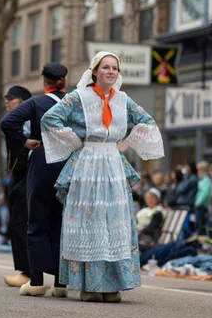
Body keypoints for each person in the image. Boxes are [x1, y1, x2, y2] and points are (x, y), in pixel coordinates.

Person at [41, 51, 164, 302]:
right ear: (95, 71)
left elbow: (147, 121)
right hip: (88, 163)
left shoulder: (124, 100)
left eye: (115, 68)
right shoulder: (79, 97)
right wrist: (77, 141)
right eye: (105, 67)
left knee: (113, 221)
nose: (111, 71)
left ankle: (112, 285)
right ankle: (89, 285)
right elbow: (50, 118)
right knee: (89, 219)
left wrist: (126, 144)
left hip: (113, 164)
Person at [0, 63, 69, 298]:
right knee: (61, 222)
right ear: (65, 81)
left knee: (37, 220)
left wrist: (25, 141)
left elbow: (7, 123)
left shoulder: (37, 102)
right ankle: (61, 283)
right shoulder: (76, 103)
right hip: (69, 162)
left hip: (42, 160)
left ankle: (37, 280)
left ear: (44, 82)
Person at [0, 85, 32, 288]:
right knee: (17, 222)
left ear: (21, 101)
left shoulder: (26, 123)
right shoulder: (17, 121)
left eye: (10, 98)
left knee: (21, 222)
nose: (6, 101)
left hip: (27, 174)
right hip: (18, 174)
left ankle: (27, 271)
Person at [195, 161, 211, 235]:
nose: (197, 172)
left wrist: (198, 203)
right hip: (200, 206)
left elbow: (205, 194)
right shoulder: (203, 180)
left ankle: (201, 242)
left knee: (200, 225)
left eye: (198, 170)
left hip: (201, 206)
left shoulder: (206, 180)